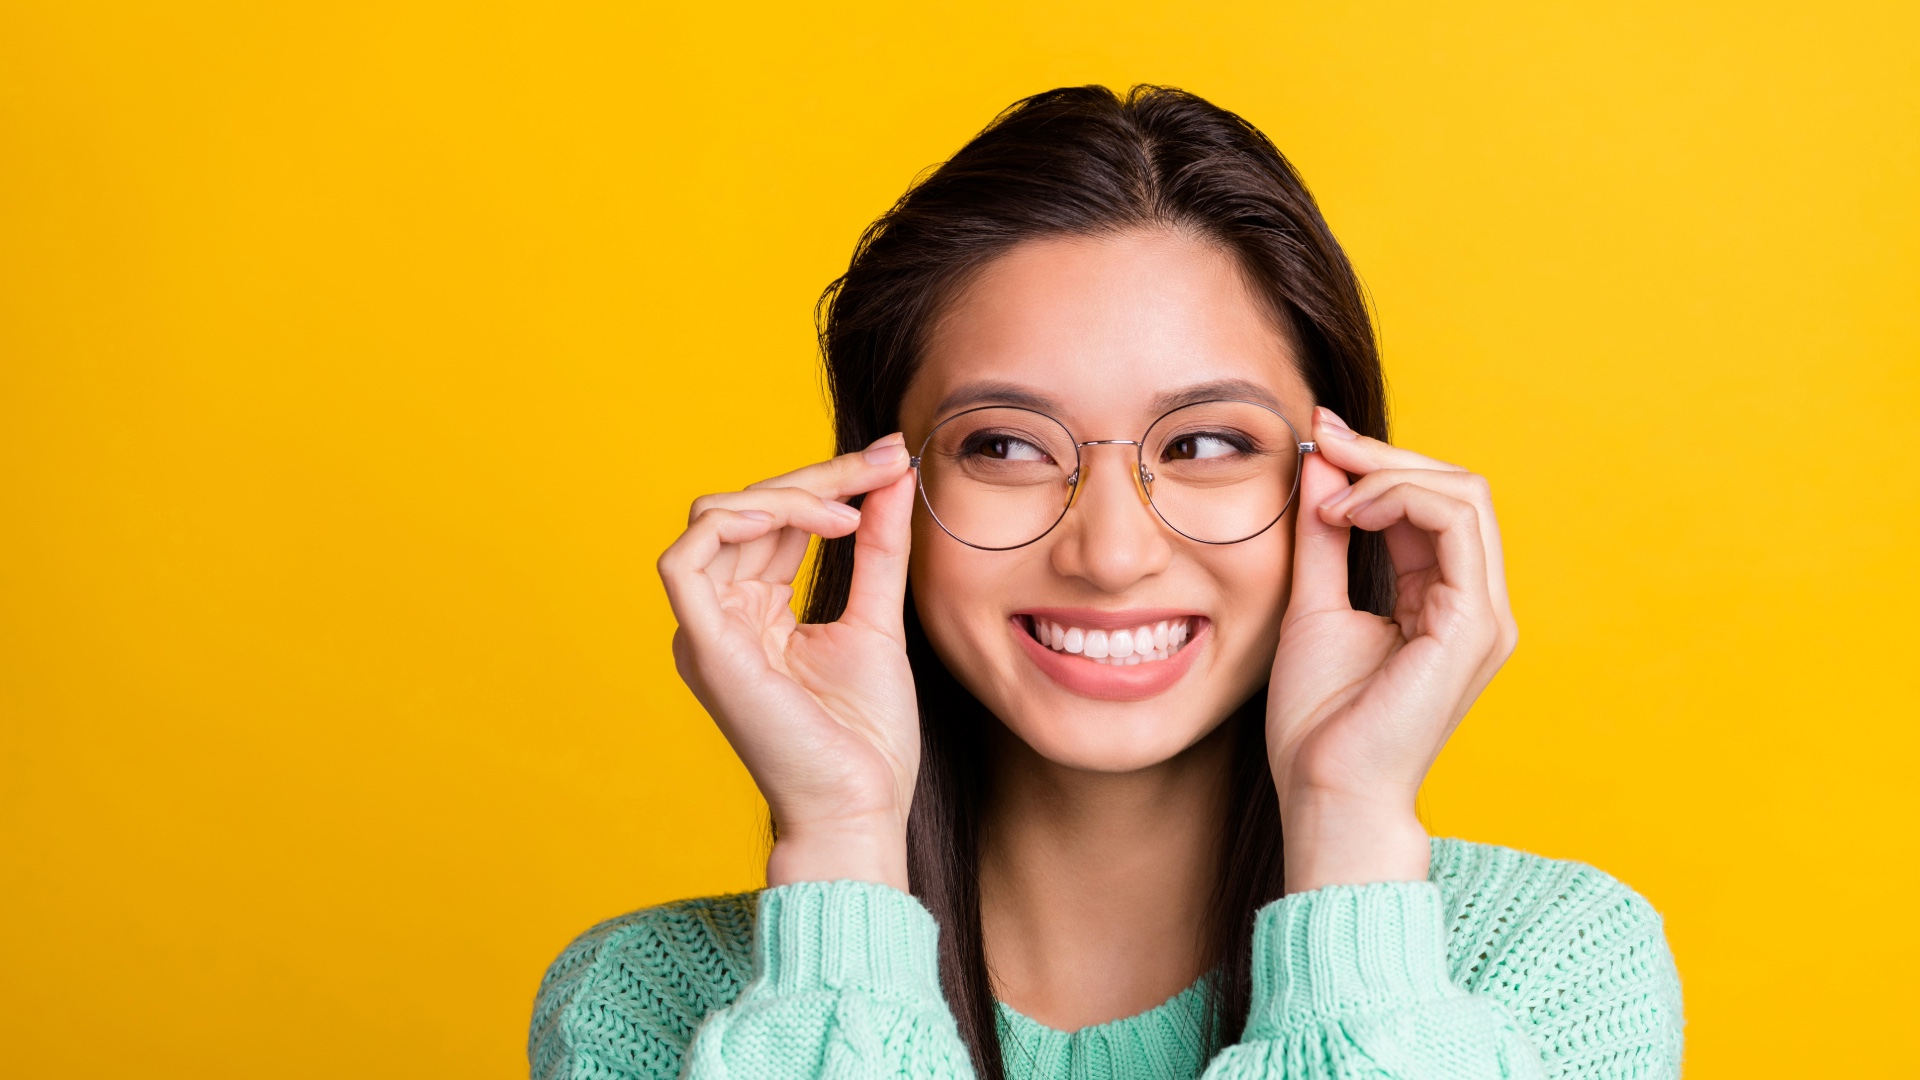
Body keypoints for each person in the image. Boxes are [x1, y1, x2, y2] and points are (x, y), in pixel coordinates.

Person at [528, 85, 1684, 1080]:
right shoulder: (651, 1003)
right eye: (1007, 446)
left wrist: (1347, 828)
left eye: (1209, 443)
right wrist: (836, 842)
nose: (1112, 552)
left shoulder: (1545, 969)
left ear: (1344, 481)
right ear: (880, 493)